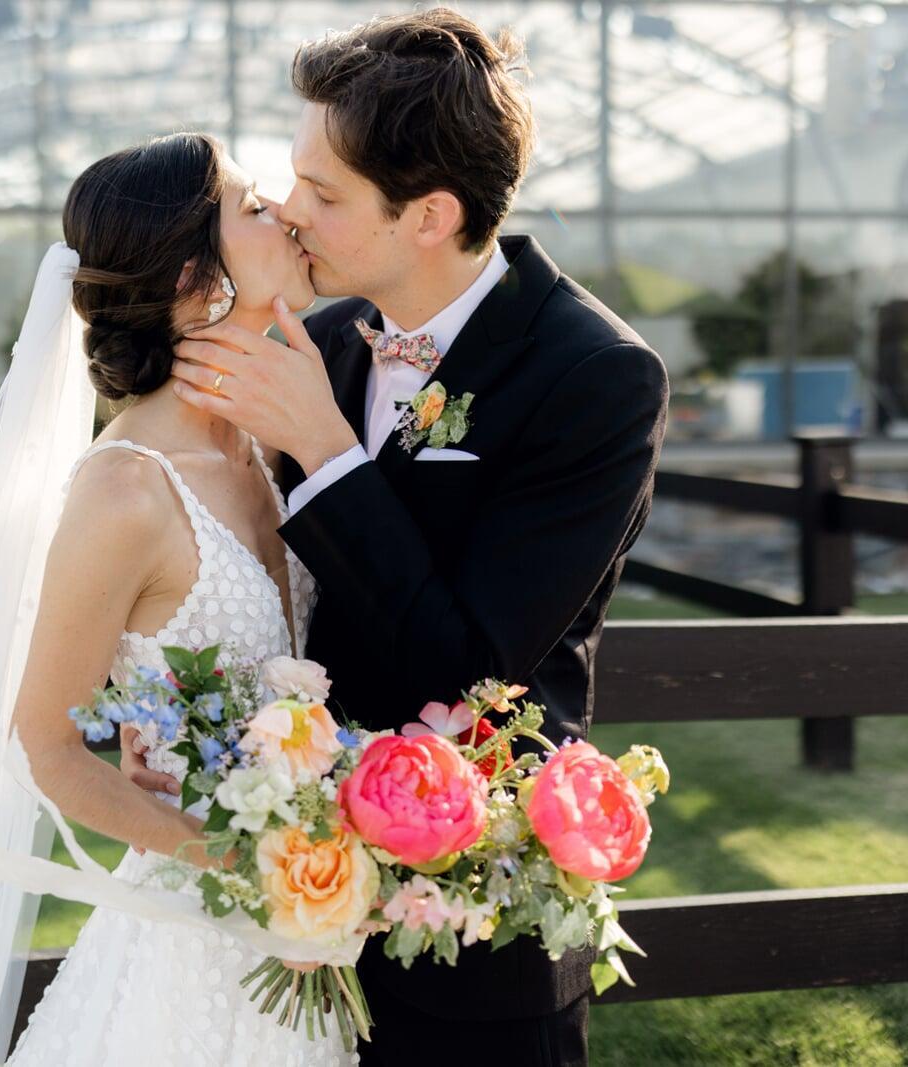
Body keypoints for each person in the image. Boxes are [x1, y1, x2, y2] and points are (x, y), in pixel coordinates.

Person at [137, 9, 671, 1066]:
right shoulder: (321, 339)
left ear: (429, 215)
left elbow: (471, 667)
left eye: (324, 193)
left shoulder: (594, 376)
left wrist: (326, 451)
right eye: (294, 177)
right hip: (284, 905)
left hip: (474, 928)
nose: (290, 211)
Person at [0, 130, 356, 1067]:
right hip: (189, 952)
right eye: (255, 208)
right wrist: (241, 866)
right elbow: (47, 745)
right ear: (197, 281)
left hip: (317, 922)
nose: (290, 217)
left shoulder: (273, 441)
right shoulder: (126, 490)